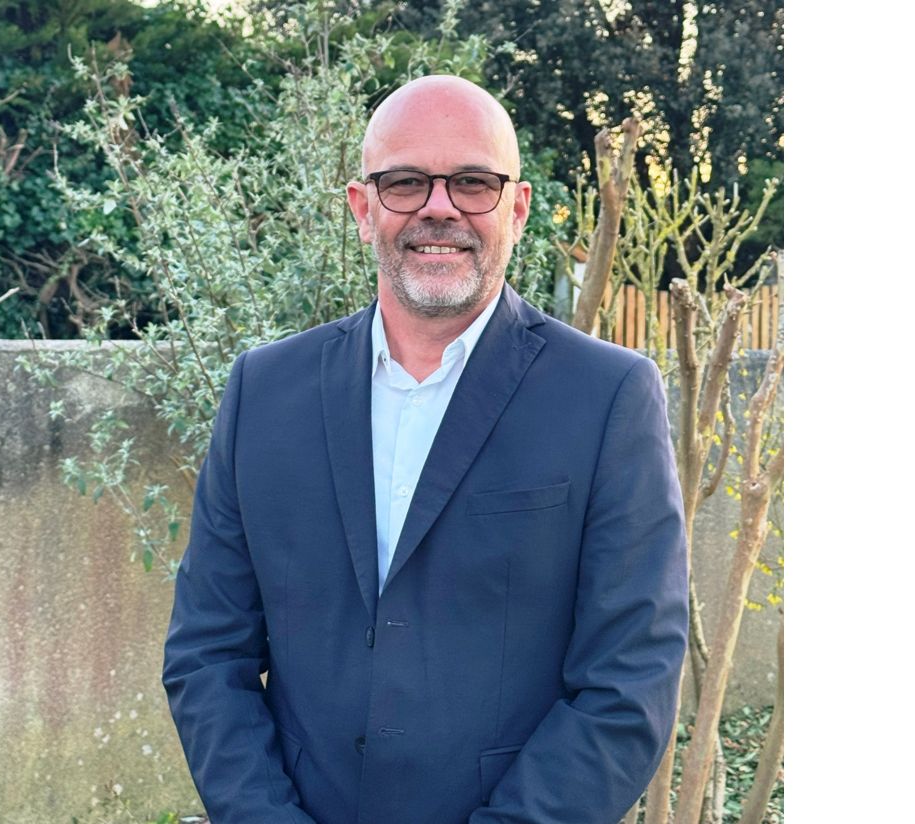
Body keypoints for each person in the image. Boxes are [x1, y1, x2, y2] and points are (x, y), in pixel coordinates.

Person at [162, 74, 689, 824]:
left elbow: (628, 681)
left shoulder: (608, 398)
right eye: (406, 181)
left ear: (517, 208)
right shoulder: (264, 391)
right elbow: (208, 654)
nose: (440, 207)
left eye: (473, 182)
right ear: (362, 207)